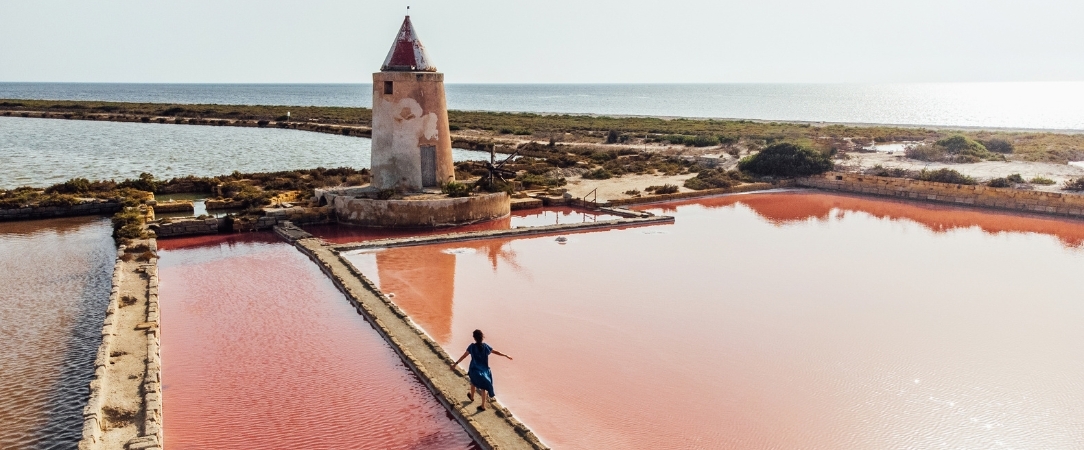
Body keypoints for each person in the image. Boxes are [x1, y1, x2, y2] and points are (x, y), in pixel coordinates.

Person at [451, 329, 512, 411]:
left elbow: (464, 356)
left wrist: (455, 364)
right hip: (485, 371)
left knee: (473, 382)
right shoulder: (485, 346)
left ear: (474, 338)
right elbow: (495, 352)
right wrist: (505, 355)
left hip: (474, 369)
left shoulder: (472, 347)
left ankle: (472, 397)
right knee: (483, 388)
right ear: (482, 337)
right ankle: (483, 406)